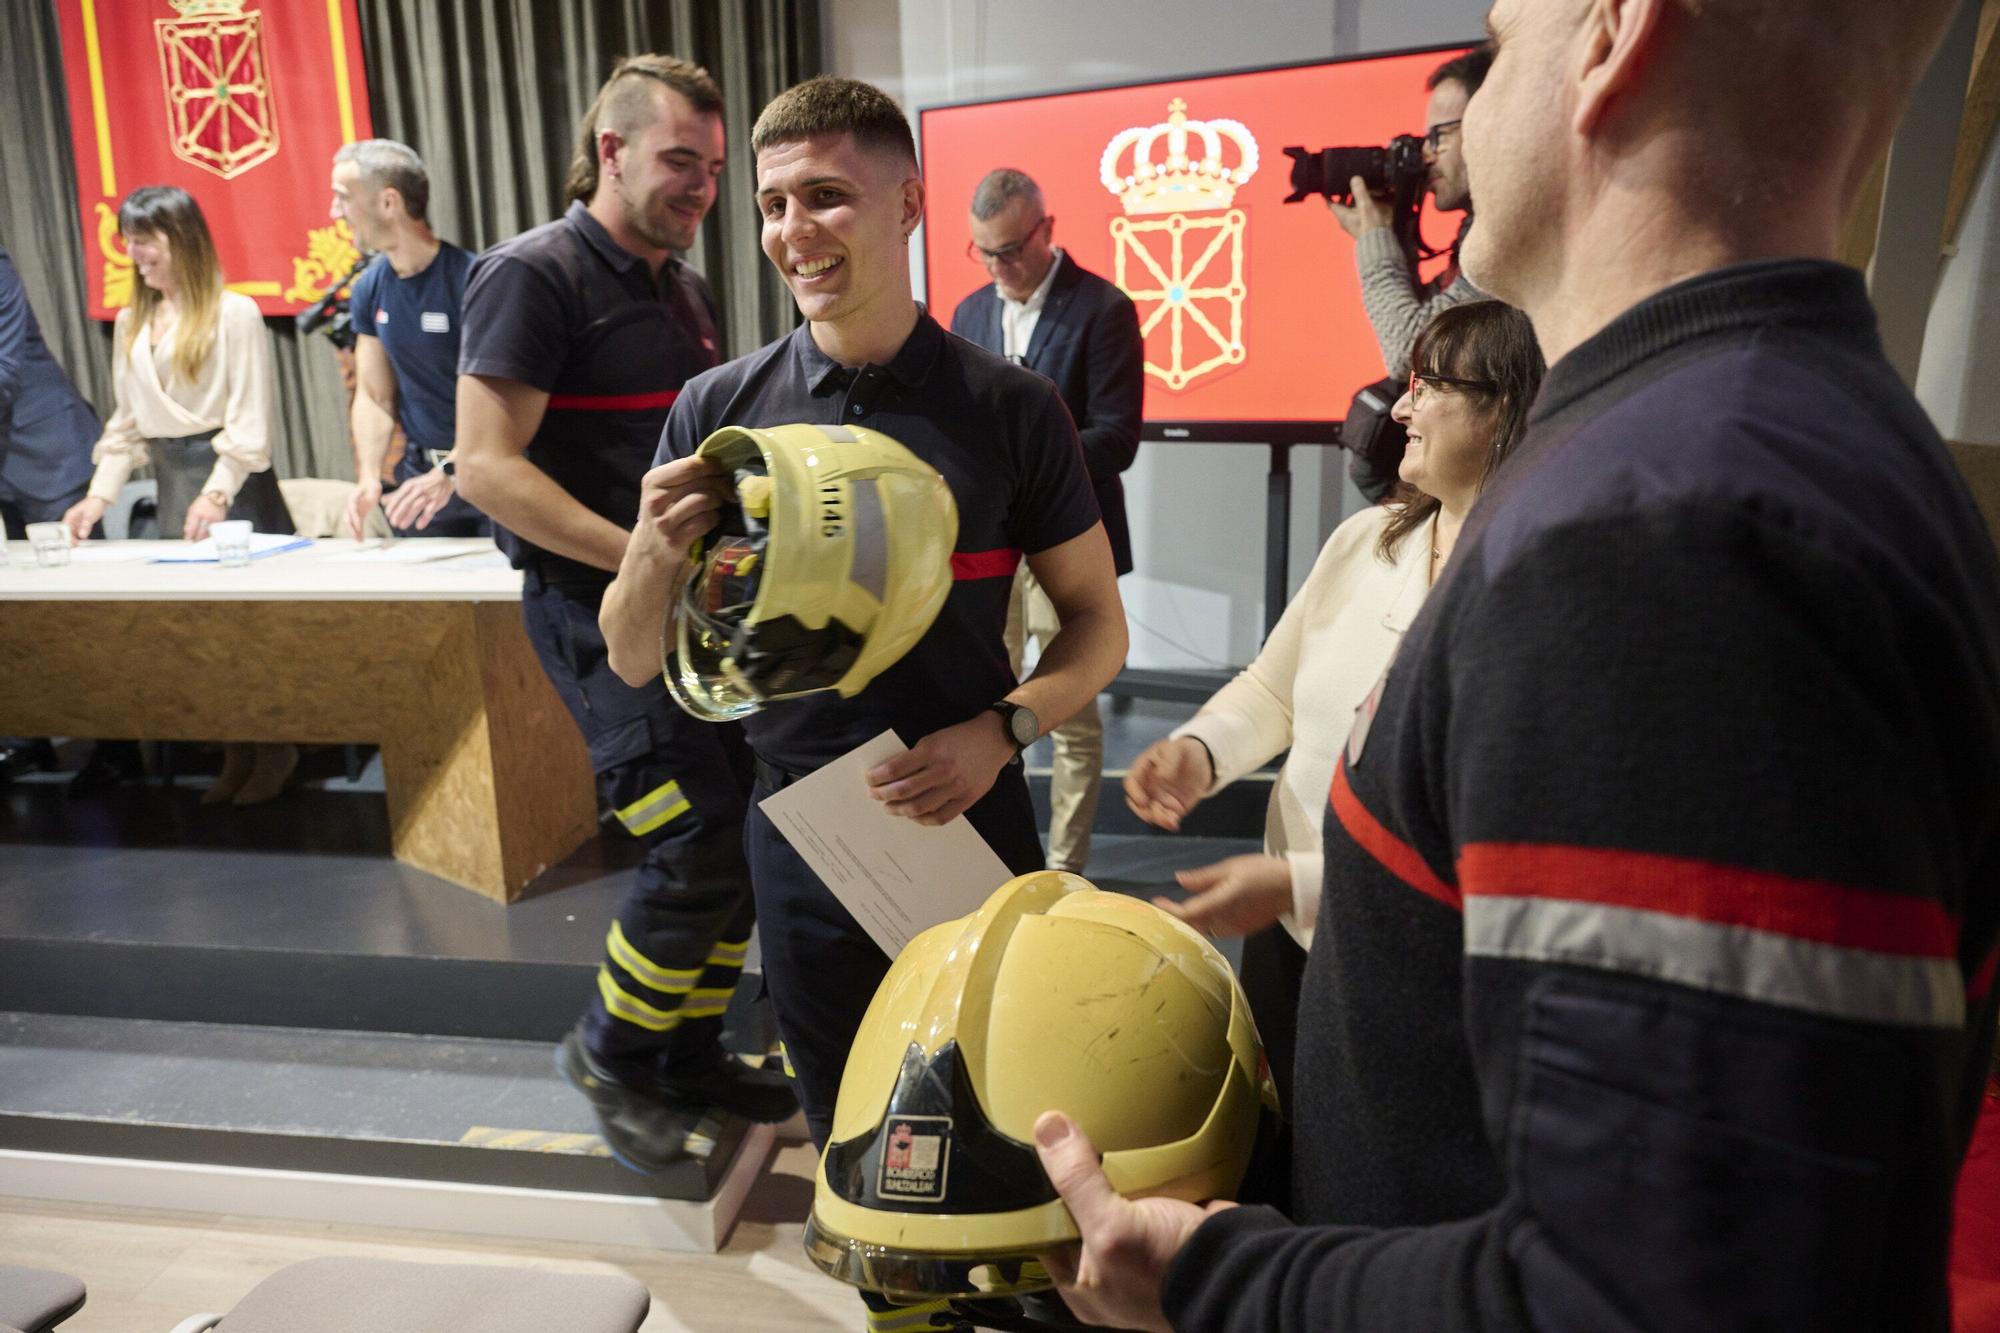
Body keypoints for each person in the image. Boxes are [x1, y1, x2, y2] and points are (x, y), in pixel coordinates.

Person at [1031, 2, 2000, 1330]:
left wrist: (1212, 1282)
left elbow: (1655, 1296)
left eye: (1497, 35)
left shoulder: (1666, 533)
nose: (1461, 114)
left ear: (1613, 36)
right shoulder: (1741, 444)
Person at [597, 75, 1127, 1332]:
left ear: (907, 206)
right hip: (804, 840)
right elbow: (630, 658)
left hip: (969, 828)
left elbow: (1096, 628)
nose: (793, 231)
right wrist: (650, 555)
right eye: (774, 204)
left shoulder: (1010, 409)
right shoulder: (716, 412)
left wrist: (998, 732)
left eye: (826, 197)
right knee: (852, 1142)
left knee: (997, 1119)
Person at [451, 54, 796, 1172]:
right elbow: (485, 469)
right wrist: (642, 558)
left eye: (711, 168)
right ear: (610, 150)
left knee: (738, 826)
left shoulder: (677, 284)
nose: (700, 188)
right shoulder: (532, 274)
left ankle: (684, 1051)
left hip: (688, 610)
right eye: (677, 162)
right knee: (691, 835)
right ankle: (608, 1051)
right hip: (590, 609)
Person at [1125, 299, 1541, 1115]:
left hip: (1402, 958)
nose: (1403, 406)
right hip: (1287, 930)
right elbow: (1274, 690)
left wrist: (1296, 883)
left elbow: (1483, 836)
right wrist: (1200, 751)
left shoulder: (1528, 589)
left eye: (1430, 385)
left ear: (1506, 411)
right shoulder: (1367, 541)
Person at [60, 186, 298, 807]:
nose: (134, 253)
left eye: (146, 240)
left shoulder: (234, 313)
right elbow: (127, 424)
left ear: (181, 238)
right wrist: (96, 497)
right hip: (173, 486)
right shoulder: (134, 321)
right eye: (129, 241)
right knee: (205, 633)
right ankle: (233, 750)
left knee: (250, 632)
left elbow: (249, 424)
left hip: (232, 490)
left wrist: (217, 494)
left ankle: (274, 749)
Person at [950, 167, 1144, 875]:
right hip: (985, 547)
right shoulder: (968, 312)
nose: (999, 268)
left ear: (1047, 230)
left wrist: (1027, 472)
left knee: (1071, 714)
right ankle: (996, 855)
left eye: (1009, 250)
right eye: (985, 252)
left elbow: (1118, 436)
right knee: (982, 699)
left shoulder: (1104, 308)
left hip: (1068, 538)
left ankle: (1064, 869)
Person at [329, 139, 487, 540]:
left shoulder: (473, 281)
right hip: (422, 483)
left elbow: (503, 400)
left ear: (389, 202)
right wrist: (369, 477)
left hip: (490, 476)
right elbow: (374, 395)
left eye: (344, 198)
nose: (335, 212)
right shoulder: (370, 288)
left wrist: (454, 469)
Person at [0, 243, 101, 784]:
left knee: (84, 613)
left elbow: (5, 368)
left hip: (48, 452)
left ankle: (114, 750)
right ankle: (24, 739)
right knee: (13, 616)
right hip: (4, 468)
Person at [1330, 44, 1491, 383]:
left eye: (1439, 135)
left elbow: (1411, 353)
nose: (1426, 155)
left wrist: (1372, 237)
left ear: (1491, 123)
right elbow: (1431, 317)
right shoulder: (1477, 231)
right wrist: (1397, 232)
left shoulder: (1508, 233)